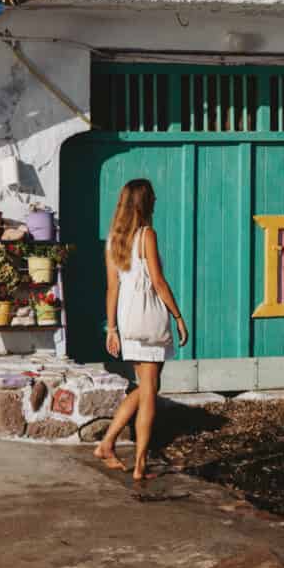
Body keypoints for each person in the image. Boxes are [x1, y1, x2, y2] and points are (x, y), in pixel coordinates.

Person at [93, 178, 189, 482]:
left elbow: (112, 288)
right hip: (149, 316)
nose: (157, 200)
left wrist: (112, 328)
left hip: (127, 318)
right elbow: (158, 282)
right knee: (149, 390)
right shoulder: (147, 234)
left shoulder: (113, 239)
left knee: (148, 385)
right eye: (153, 197)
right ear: (145, 204)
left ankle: (107, 444)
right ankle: (140, 464)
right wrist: (178, 316)